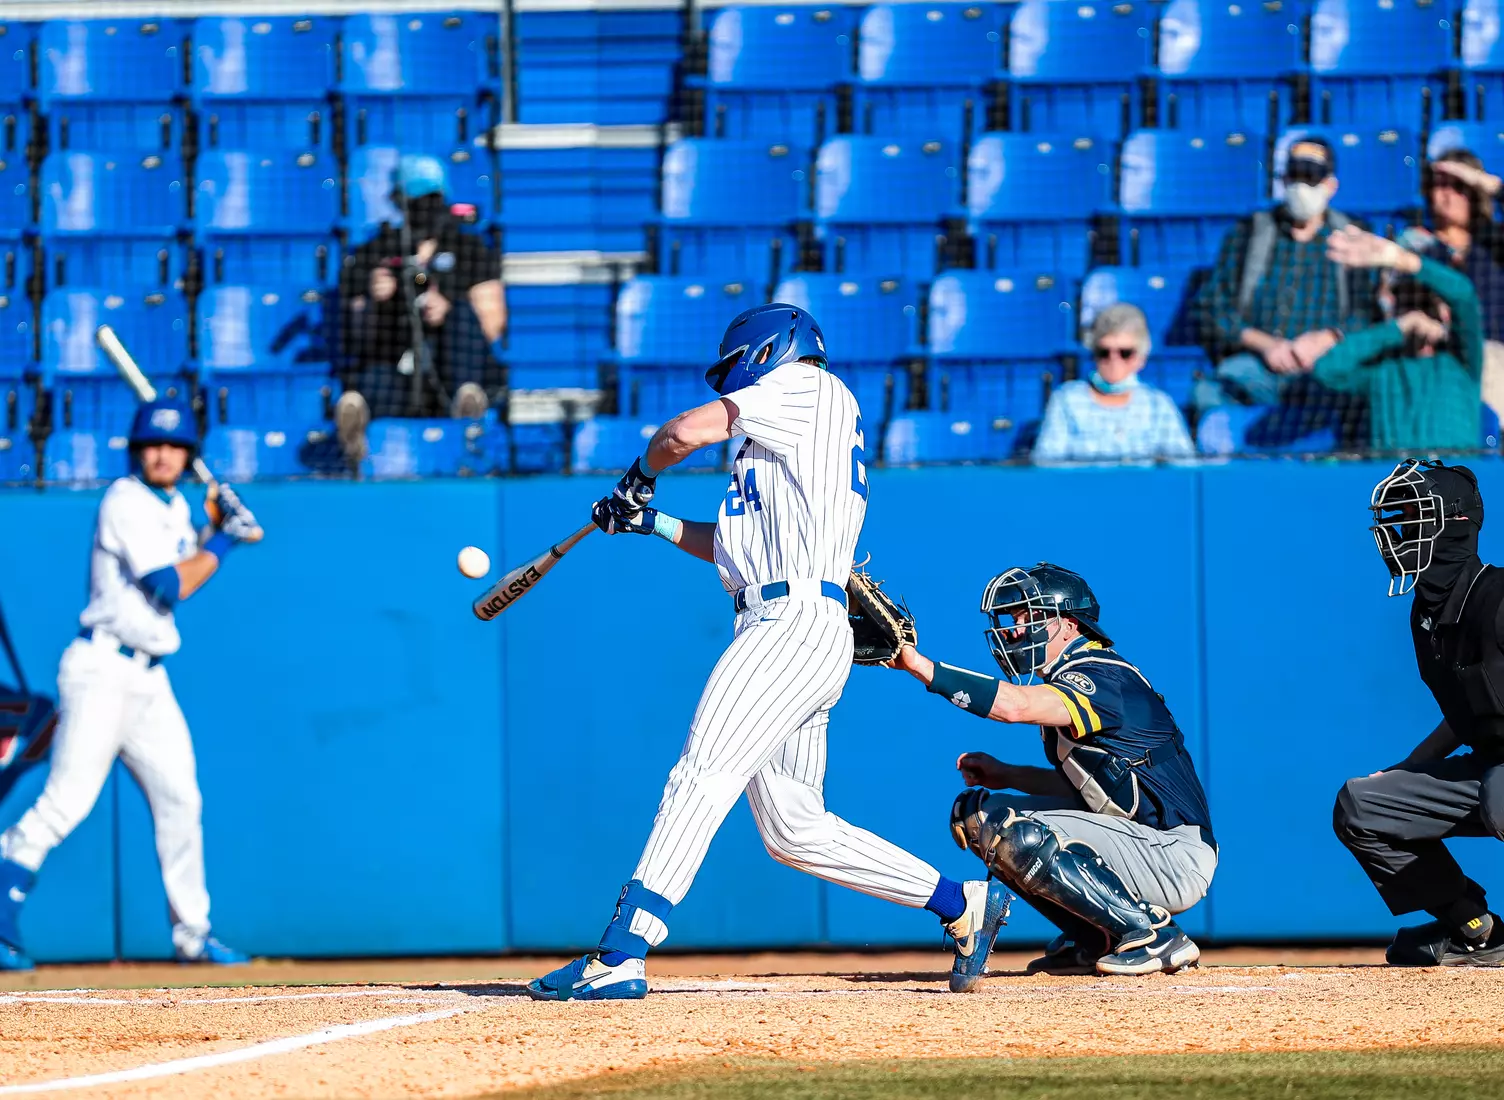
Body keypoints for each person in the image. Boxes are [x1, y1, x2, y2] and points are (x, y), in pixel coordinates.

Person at [526, 304, 1012, 1001]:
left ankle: (623, 951)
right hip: (797, 622)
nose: (730, 383)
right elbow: (730, 547)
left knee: (701, 773)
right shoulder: (786, 437)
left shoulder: (808, 388)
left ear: (766, 353)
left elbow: (682, 431)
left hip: (788, 624)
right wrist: (650, 520)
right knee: (794, 828)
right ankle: (962, 903)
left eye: (734, 370)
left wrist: (639, 472)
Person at [0, 400, 263, 970]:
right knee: (67, 803)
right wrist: (225, 543)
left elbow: (188, 561)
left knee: (181, 800)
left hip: (148, 678)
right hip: (100, 671)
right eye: (153, 445)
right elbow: (169, 586)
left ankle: (192, 933)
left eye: (173, 446)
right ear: (137, 450)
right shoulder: (125, 500)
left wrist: (216, 528)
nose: (163, 454)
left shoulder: (172, 508)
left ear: (188, 453)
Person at [887, 563, 1217, 976]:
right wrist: (1008, 775)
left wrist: (920, 667)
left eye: (1029, 616)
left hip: (1173, 853)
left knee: (1008, 827)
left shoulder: (1101, 675)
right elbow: (1082, 794)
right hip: (1140, 842)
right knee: (975, 813)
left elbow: (1014, 706)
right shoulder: (1070, 678)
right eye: (1013, 619)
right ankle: (1098, 935)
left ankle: (1152, 935)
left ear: (1068, 624)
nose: (1014, 629)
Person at [1333, 459, 1504, 966]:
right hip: (1490, 768)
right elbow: (1469, 711)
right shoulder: (1427, 615)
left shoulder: (1497, 597)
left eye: (1413, 519)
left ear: (1452, 526)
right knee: (1363, 804)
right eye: (1396, 520)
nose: (1396, 534)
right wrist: (1408, 769)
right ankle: (1477, 929)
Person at [336, 154, 507, 466]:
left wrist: (447, 306)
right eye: (415, 201)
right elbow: (355, 329)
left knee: (461, 315)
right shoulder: (375, 252)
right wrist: (374, 299)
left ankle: (467, 406)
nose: (424, 210)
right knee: (375, 376)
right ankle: (358, 434)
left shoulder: (469, 249)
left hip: (451, 365)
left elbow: (493, 323)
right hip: (397, 362)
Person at [1195, 135, 1378, 413]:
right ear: (1282, 180)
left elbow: (1371, 311)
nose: (1301, 186)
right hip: (1257, 368)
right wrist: (1265, 345)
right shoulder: (1249, 233)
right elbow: (1212, 307)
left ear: (1330, 186)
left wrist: (1328, 338)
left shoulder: (1354, 236)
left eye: (1311, 178)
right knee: (1207, 394)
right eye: (1294, 176)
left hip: (1326, 369)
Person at [1311, 226, 1483, 452]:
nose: (1423, 311)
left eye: (1428, 303)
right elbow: (1326, 369)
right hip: (1395, 481)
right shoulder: (1381, 371)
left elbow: (1463, 294)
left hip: (1451, 481)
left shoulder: (1462, 365)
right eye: (1409, 303)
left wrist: (1402, 260)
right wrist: (1399, 328)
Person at [1402, 149, 1504, 423]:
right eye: (1439, 185)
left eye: (1458, 186)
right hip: (1443, 364)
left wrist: (1488, 182)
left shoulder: (1494, 244)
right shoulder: (1417, 250)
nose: (1446, 194)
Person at [1033, 304, 1194, 464]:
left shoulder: (1158, 405)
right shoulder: (1067, 400)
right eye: (1104, 352)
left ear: (1141, 358)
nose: (1113, 360)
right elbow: (1048, 465)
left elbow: (1182, 467)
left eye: (1125, 353)